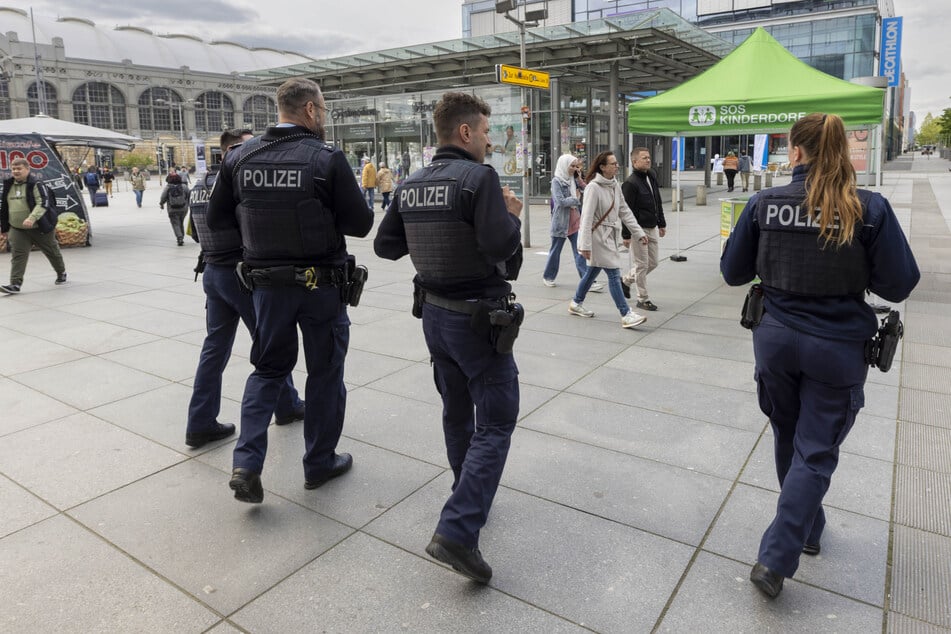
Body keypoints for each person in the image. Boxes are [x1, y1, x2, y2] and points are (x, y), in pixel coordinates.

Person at [720, 113, 920, 599]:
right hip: (835, 348)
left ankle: (808, 528)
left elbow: (732, 271)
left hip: (775, 340)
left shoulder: (764, 203)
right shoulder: (868, 208)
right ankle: (776, 556)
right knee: (816, 449)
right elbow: (899, 283)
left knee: (790, 435)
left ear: (795, 152)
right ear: (843, 152)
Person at [374, 91, 523, 584]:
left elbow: (386, 245)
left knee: (456, 411)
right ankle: (458, 530)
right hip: (479, 319)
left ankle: (467, 492)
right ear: (465, 133)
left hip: (434, 316)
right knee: (497, 420)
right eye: (484, 132)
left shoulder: (413, 182)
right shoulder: (479, 178)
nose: (487, 141)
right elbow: (502, 247)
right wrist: (511, 214)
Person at [207, 77, 373, 504]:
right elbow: (360, 224)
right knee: (325, 373)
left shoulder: (240, 157)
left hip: (266, 290)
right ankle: (319, 464)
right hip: (321, 288)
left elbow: (218, 220)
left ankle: (246, 463)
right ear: (311, 111)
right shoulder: (326, 158)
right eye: (324, 110)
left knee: (266, 370)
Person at [185, 128, 305, 449]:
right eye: (247, 146)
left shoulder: (199, 186)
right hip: (242, 275)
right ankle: (287, 405)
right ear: (231, 151)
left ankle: (199, 422)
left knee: (214, 350)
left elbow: (195, 232)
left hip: (212, 273)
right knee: (271, 345)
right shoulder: (237, 182)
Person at [568, 150, 648, 329]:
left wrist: (638, 232)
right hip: (597, 237)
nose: (616, 166)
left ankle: (576, 302)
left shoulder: (614, 185)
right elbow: (586, 218)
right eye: (613, 163)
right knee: (613, 273)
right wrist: (584, 245)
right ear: (602, 167)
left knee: (592, 272)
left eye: (616, 163)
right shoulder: (593, 187)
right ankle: (626, 313)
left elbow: (625, 211)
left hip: (609, 236)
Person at [0, 157, 67, 294]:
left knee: (52, 252)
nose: (16, 171)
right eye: (13, 169)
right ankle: (15, 284)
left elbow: (43, 203)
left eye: (19, 169)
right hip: (17, 228)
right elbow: (5, 206)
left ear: (28, 169)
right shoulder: (8, 185)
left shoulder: (36, 184)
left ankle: (61, 272)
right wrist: (4, 226)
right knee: (18, 255)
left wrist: (32, 218)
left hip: (39, 228)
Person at [542, 154, 603, 292]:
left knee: (580, 252)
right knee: (555, 252)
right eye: (572, 166)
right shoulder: (557, 181)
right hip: (561, 223)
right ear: (564, 165)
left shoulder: (573, 179)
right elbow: (560, 202)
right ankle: (548, 276)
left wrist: (579, 179)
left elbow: (587, 190)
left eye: (576, 166)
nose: (575, 168)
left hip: (575, 222)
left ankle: (588, 281)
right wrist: (576, 199)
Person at [620, 147, 666, 310]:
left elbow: (657, 200)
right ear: (634, 162)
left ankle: (625, 280)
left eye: (649, 157)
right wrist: (626, 235)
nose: (648, 160)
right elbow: (626, 211)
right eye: (644, 158)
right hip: (637, 230)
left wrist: (661, 222)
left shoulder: (651, 175)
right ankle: (642, 299)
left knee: (653, 263)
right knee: (641, 265)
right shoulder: (630, 183)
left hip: (652, 226)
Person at [159, 173, 189, 246]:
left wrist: (161, 204)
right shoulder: (184, 186)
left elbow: (163, 197)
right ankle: (181, 236)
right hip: (183, 209)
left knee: (175, 223)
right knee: (181, 222)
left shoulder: (168, 187)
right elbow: (189, 195)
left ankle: (179, 237)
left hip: (172, 209)